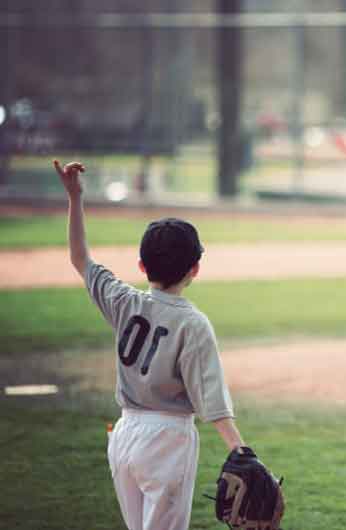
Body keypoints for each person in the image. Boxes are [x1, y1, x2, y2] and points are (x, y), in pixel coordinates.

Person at [53, 160, 257, 530]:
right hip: (168, 440)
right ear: (195, 269)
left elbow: (80, 258)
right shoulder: (192, 323)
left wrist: (75, 197)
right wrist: (241, 451)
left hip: (124, 436)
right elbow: (211, 399)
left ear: (142, 266)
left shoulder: (124, 301)